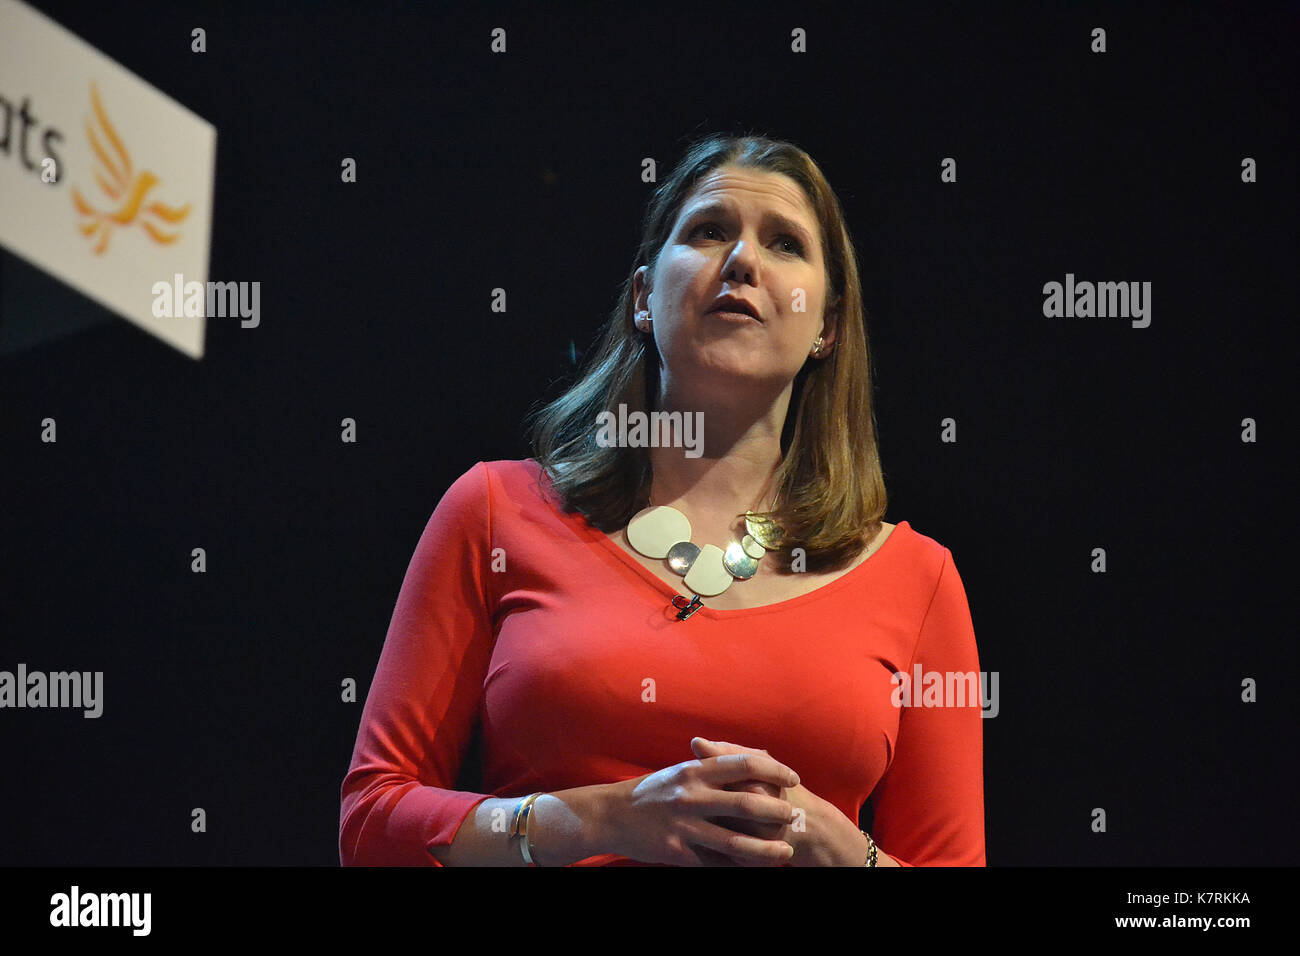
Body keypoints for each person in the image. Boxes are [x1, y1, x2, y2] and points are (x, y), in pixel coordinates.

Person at [339, 133, 986, 867]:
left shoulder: (920, 581)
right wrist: (597, 820)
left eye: (783, 244)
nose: (741, 260)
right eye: (710, 231)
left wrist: (848, 855)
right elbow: (372, 823)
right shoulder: (493, 511)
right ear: (645, 296)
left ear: (827, 328)